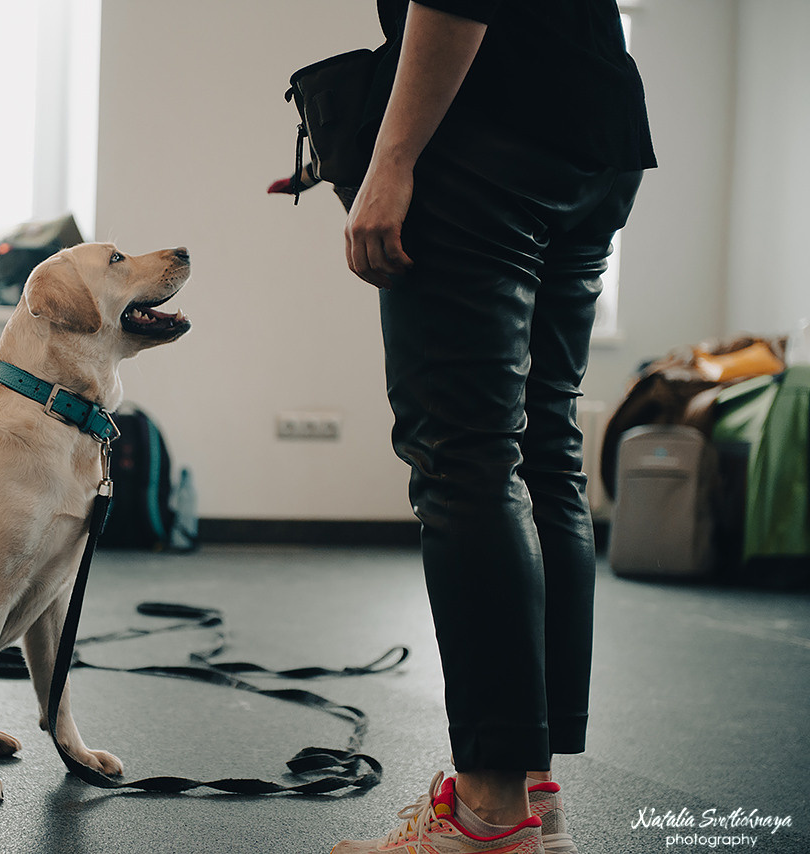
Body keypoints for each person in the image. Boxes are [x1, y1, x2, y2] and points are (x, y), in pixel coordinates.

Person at [324, 2, 655, 852]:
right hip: (596, 130)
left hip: (482, 133)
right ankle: (532, 798)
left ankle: (485, 816)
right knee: (544, 448)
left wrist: (392, 158)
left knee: (465, 458)